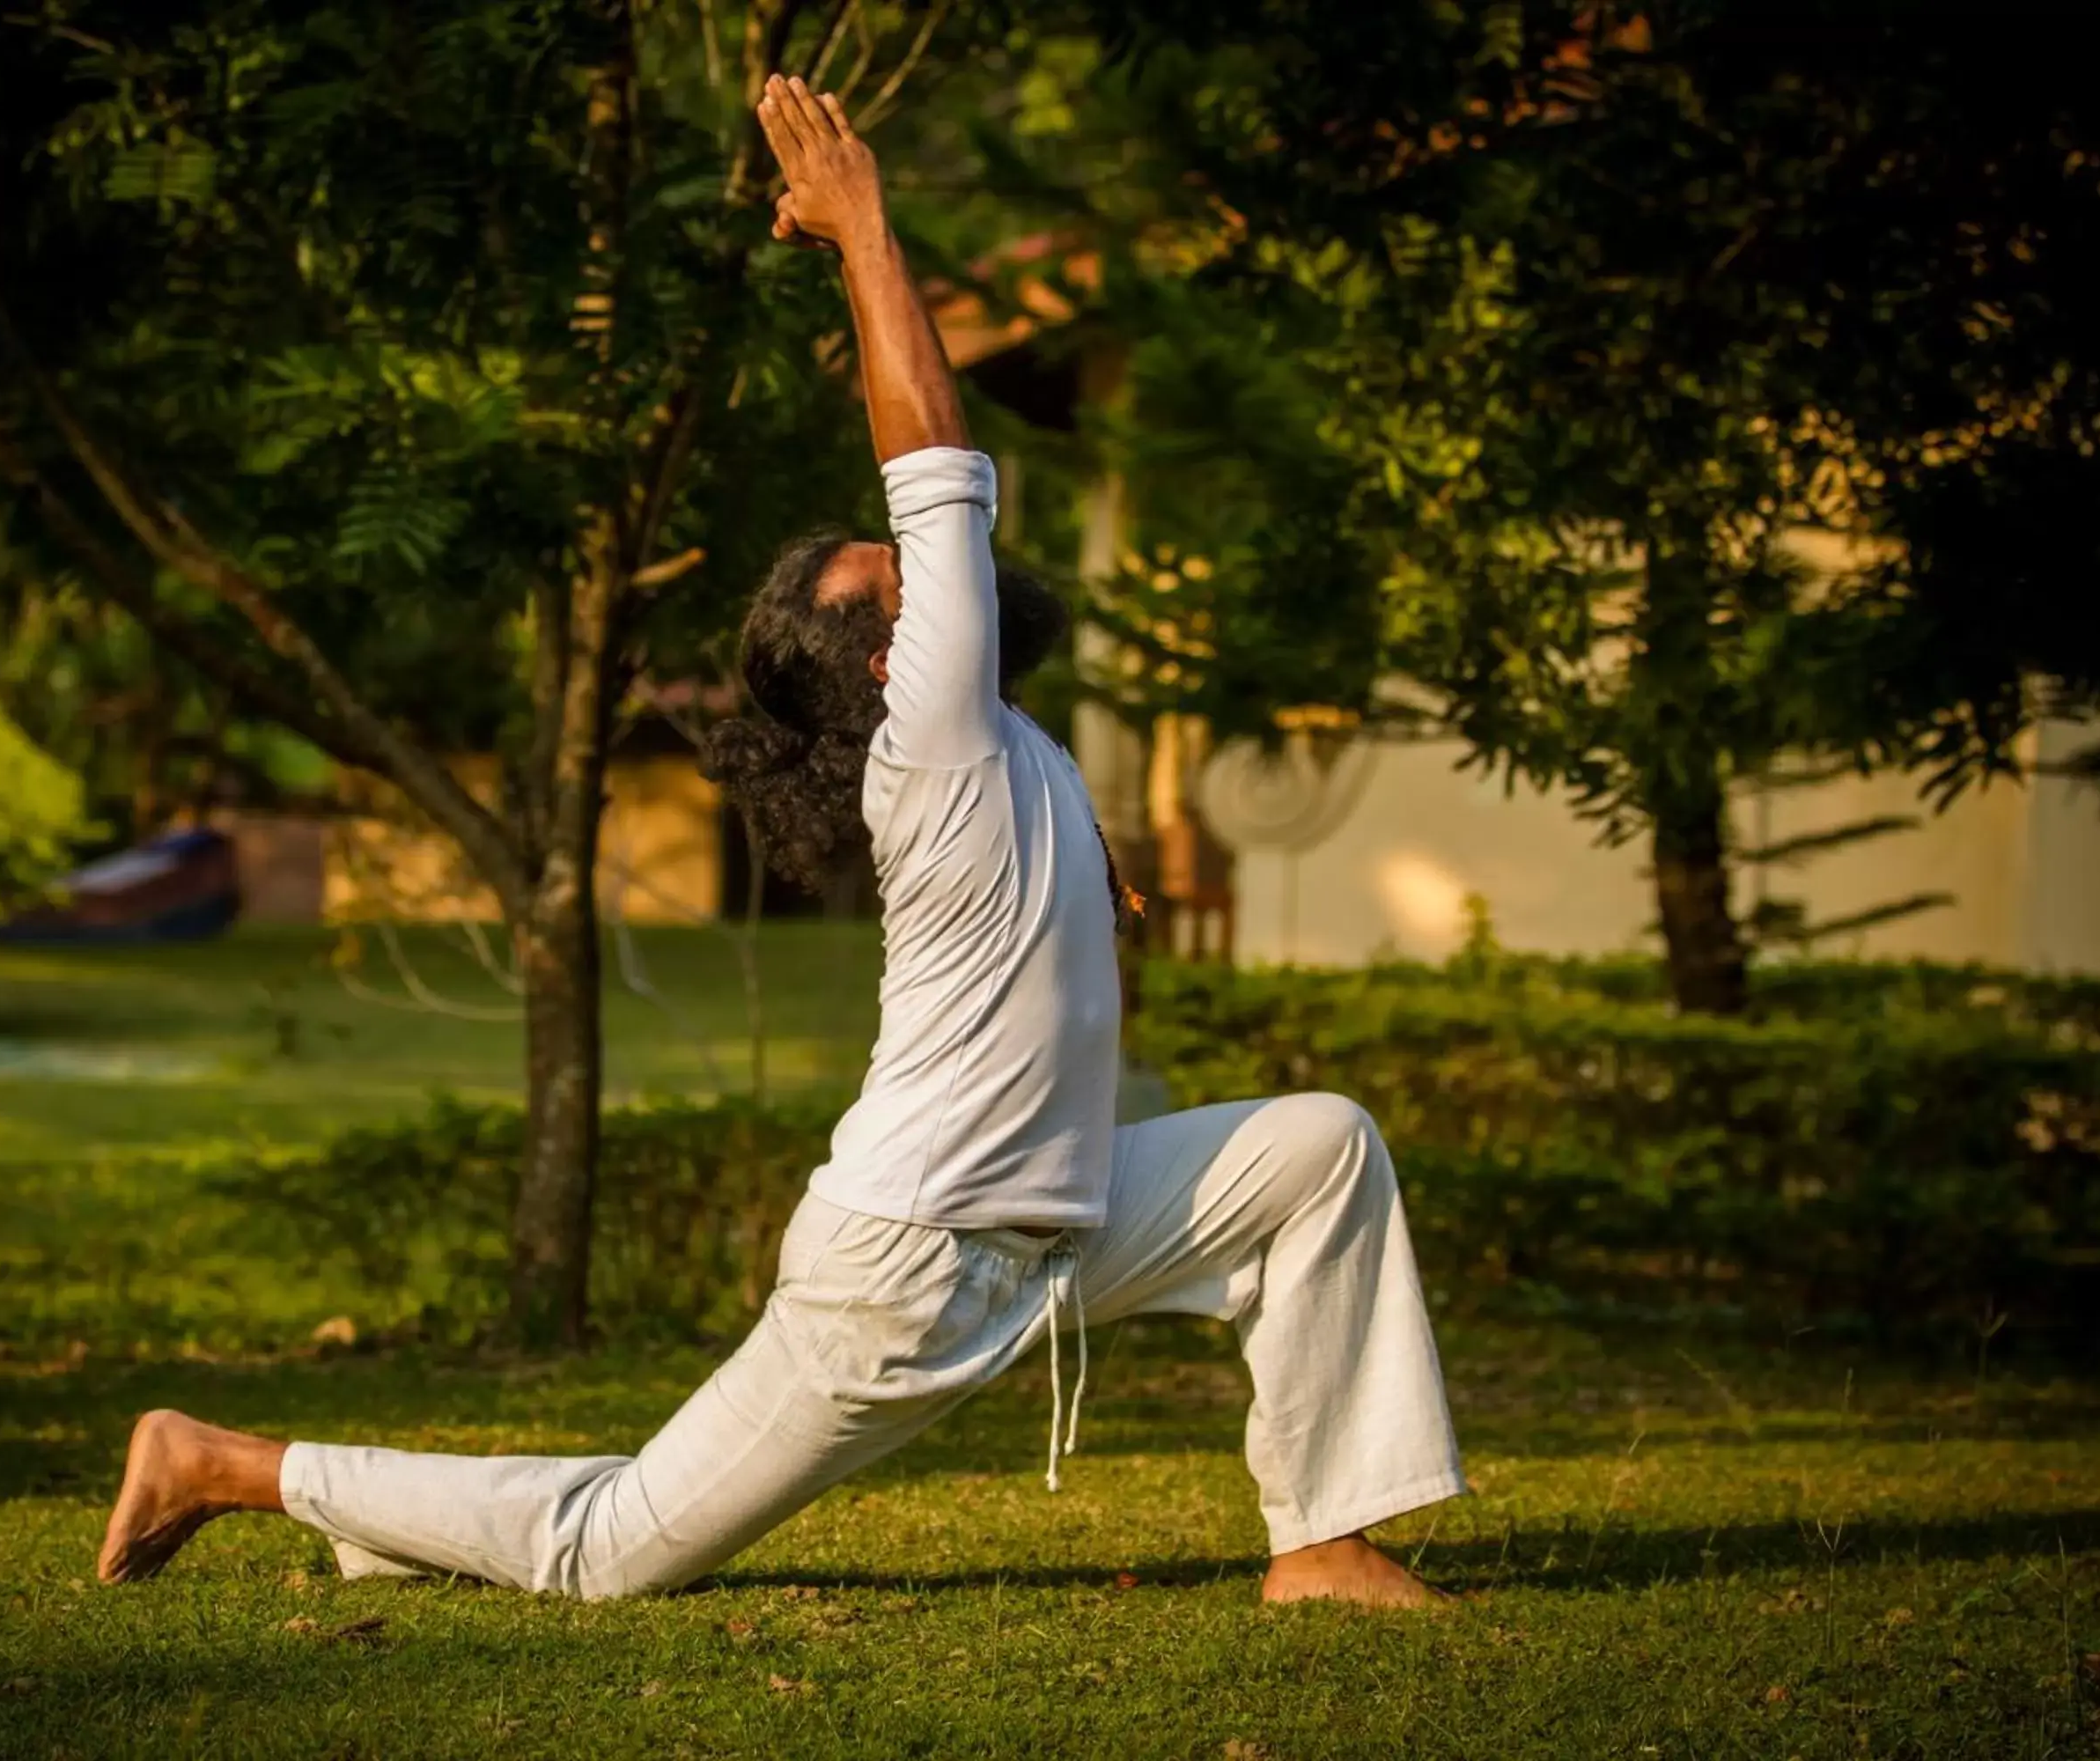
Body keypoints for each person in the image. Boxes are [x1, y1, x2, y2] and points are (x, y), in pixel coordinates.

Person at [97, 72, 1463, 1609]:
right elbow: (936, 460)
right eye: (899, 580)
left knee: (1315, 1149)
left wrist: (1089, 859)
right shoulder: (932, 743)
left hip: (1065, 1220)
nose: (937, 572)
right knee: (607, 1552)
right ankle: (226, 1463)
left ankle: (1326, 1544)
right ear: (893, 663)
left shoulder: (1005, 750)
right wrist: (864, 226)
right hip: (905, 1271)